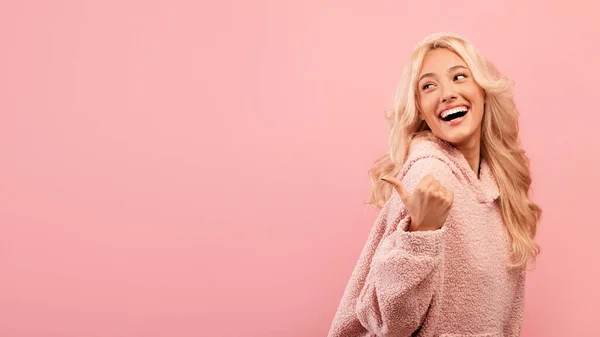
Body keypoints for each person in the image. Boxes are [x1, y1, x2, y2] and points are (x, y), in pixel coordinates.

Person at [327, 32, 542, 337]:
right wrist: (420, 234)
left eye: (459, 77)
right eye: (429, 86)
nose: (447, 93)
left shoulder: (494, 184)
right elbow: (391, 323)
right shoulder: (428, 176)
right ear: (422, 109)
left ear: (483, 89)